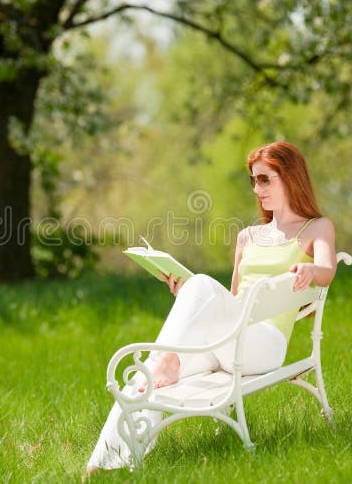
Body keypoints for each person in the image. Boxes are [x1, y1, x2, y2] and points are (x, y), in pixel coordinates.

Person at [85, 141, 337, 473]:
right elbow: (232, 300)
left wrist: (310, 270)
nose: (257, 189)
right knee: (149, 369)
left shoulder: (317, 227)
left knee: (197, 291)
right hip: (229, 340)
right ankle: (106, 466)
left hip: (264, 345)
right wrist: (188, 298)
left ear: (290, 176)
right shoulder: (248, 236)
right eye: (253, 181)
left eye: (265, 179)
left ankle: (167, 362)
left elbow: (327, 271)